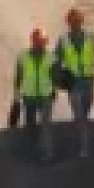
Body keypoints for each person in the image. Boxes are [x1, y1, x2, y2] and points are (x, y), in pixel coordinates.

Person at [55, 8, 94, 158]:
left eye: (78, 21)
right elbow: (56, 60)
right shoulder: (63, 41)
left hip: (89, 80)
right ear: (68, 23)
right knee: (80, 115)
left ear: (81, 21)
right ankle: (84, 147)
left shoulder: (91, 37)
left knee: (86, 112)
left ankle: (80, 131)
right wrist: (56, 79)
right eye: (72, 21)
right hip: (73, 82)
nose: (75, 24)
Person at [13, 27, 56, 161]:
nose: (41, 44)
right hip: (29, 97)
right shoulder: (22, 57)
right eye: (39, 41)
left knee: (45, 126)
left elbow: (55, 76)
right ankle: (32, 150)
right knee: (30, 126)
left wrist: (54, 90)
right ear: (33, 41)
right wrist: (16, 96)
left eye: (43, 42)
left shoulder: (51, 57)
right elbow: (19, 77)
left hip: (45, 96)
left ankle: (47, 153)